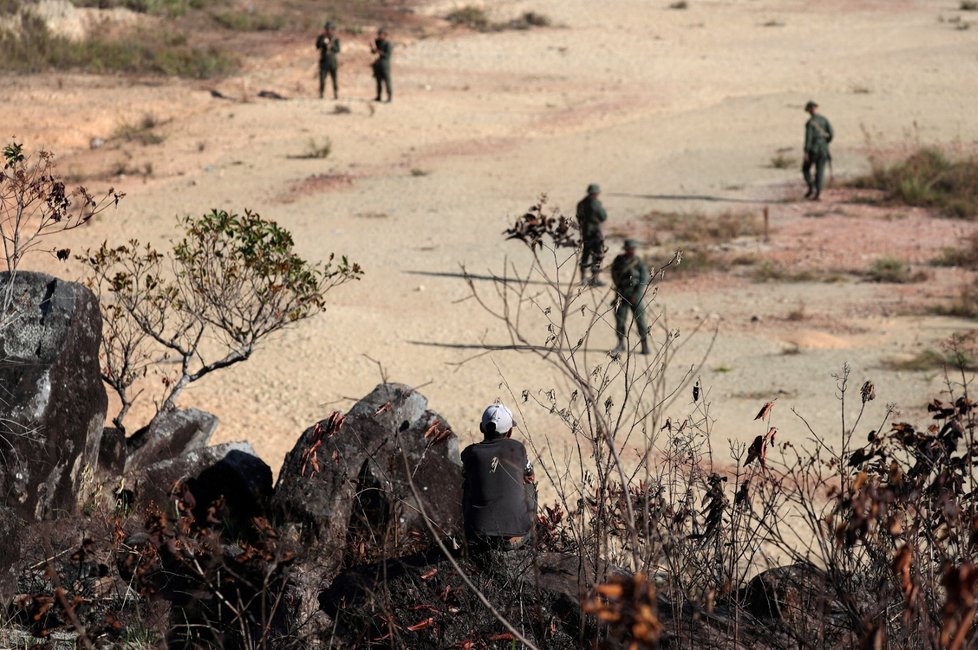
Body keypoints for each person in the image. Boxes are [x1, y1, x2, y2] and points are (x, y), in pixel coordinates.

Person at [461, 403, 536, 552]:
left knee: (467, 485)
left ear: (481, 428)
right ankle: (528, 540)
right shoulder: (517, 448)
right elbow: (530, 475)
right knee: (529, 485)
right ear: (509, 432)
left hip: (478, 537)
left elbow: (465, 475)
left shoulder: (469, 453)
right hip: (516, 538)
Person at [611, 239, 650, 356]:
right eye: (629, 249)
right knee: (620, 319)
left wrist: (636, 294)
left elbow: (643, 280)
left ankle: (644, 344)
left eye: (633, 249)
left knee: (640, 320)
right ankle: (620, 343)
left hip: (635, 295)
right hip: (622, 294)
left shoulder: (639, 263)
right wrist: (619, 289)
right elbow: (614, 274)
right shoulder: (619, 261)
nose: (631, 251)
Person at [576, 183, 608, 286]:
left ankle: (583, 278)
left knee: (585, 254)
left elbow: (579, 217)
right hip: (595, 232)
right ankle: (595, 278)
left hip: (585, 232)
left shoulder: (581, 203)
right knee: (597, 255)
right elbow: (603, 216)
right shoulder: (595, 204)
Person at [802, 100, 833, 201]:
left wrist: (806, 151)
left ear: (809, 110)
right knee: (820, 171)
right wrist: (825, 143)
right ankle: (818, 193)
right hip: (824, 148)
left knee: (805, 169)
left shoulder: (810, 123)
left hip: (813, 149)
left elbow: (808, 138)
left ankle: (812, 188)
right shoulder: (824, 120)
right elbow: (831, 134)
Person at [315, 22, 341, 100]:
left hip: (332, 61)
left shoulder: (335, 39)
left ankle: (336, 93)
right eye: (326, 29)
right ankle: (321, 93)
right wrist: (322, 41)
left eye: (329, 29)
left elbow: (338, 49)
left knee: (334, 79)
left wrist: (331, 46)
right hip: (324, 61)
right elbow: (317, 46)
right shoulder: (321, 37)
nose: (328, 30)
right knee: (322, 79)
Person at [370, 27, 393, 103]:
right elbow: (373, 52)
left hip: (385, 64)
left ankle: (389, 97)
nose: (379, 36)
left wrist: (379, 52)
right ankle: (378, 96)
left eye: (381, 34)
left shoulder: (388, 44)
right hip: (378, 64)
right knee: (378, 81)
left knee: (387, 81)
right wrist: (372, 48)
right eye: (379, 34)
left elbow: (387, 55)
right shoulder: (377, 42)